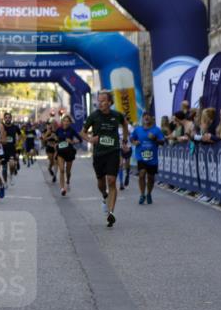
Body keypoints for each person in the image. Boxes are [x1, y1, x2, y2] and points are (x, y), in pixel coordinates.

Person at [81, 90, 129, 226]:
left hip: (113, 151)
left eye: (102, 101)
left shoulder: (116, 115)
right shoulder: (94, 116)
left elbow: (125, 124)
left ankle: (111, 213)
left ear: (109, 102)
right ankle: (104, 195)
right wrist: (90, 139)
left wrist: (124, 140)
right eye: (98, 101)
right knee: (101, 183)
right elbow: (82, 132)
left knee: (112, 180)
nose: (100, 103)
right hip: (99, 154)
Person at [130, 110, 164, 205]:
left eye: (148, 115)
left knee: (150, 177)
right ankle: (142, 194)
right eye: (145, 115)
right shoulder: (138, 129)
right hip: (141, 156)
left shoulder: (156, 130)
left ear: (151, 118)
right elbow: (131, 137)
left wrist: (154, 139)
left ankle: (149, 193)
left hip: (152, 158)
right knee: (141, 174)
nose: (146, 117)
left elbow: (162, 142)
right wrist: (134, 142)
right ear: (143, 118)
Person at [54, 115, 82, 197]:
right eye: (64, 121)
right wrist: (56, 144)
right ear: (62, 122)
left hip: (69, 152)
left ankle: (68, 181)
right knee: (62, 170)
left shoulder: (72, 130)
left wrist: (73, 142)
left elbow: (80, 139)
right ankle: (62, 188)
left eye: (67, 121)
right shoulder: (58, 130)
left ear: (70, 122)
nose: (65, 122)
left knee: (68, 171)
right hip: (60, 152)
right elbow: (56, 138)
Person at [0, 111, 20, 184]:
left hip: (12, 149)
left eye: (9, 117)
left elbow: (20, 134)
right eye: (6, 118)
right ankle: (5, 182)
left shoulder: (15, 127)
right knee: (4, 169)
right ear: (4, 119)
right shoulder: (1, 126)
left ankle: (11, 175)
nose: (7, 119)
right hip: (3, 150)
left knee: (12, 164)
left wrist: (18, 141)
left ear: (11, 118)